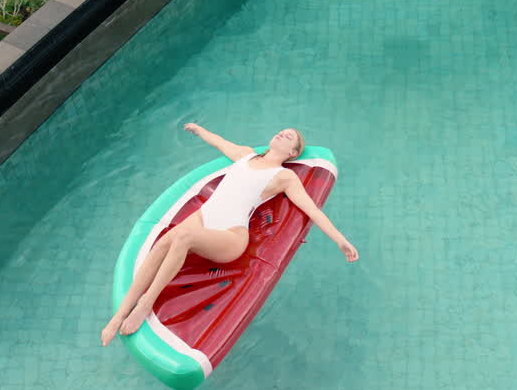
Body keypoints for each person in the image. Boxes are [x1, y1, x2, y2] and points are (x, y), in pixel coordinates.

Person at [101, 124, 359, 346]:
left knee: (183, 238)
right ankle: (117, 317)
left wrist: (340, 240)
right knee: (162, 244)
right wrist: (199, 130)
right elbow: (220, 143)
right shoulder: (245, 155)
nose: (282, 134)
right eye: (282, 131)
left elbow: (311, 209)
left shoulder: (284, 176)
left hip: (231, 236)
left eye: (289, 136)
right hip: (204, 219)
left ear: (292, 153)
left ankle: (146, 303)